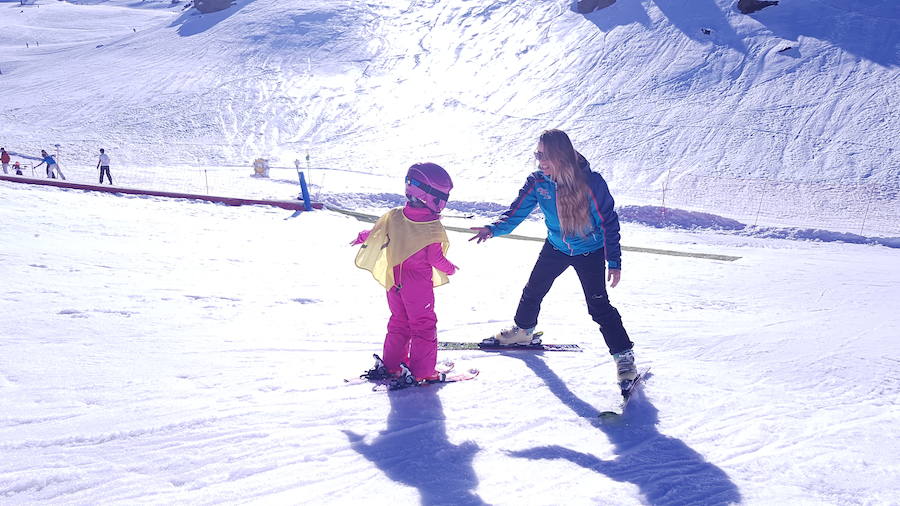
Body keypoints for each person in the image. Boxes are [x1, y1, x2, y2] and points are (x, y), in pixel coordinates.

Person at [469, 129, 637, 386]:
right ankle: (523, 331)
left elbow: (609, 222)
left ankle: (624, 356)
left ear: (562, 155)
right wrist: (493, 229)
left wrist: (613, 260)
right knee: (533, 289)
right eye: (538, 154)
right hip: (556, 246)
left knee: (598, 306)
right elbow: (516, 212)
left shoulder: (591, 183)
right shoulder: (538, 182)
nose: (541, 160)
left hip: (590, 250)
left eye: (546, 155)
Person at [353, 163, 459, 387]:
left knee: (399, 322)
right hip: (417, 283)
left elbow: (375, 233)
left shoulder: (394, 216)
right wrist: (450, 268)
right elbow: (435, 259)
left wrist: (362, 236)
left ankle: (392, 364)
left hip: (394, 280)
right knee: (423, 324)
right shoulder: (431, 226)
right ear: (432, 197)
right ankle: (422, 371)